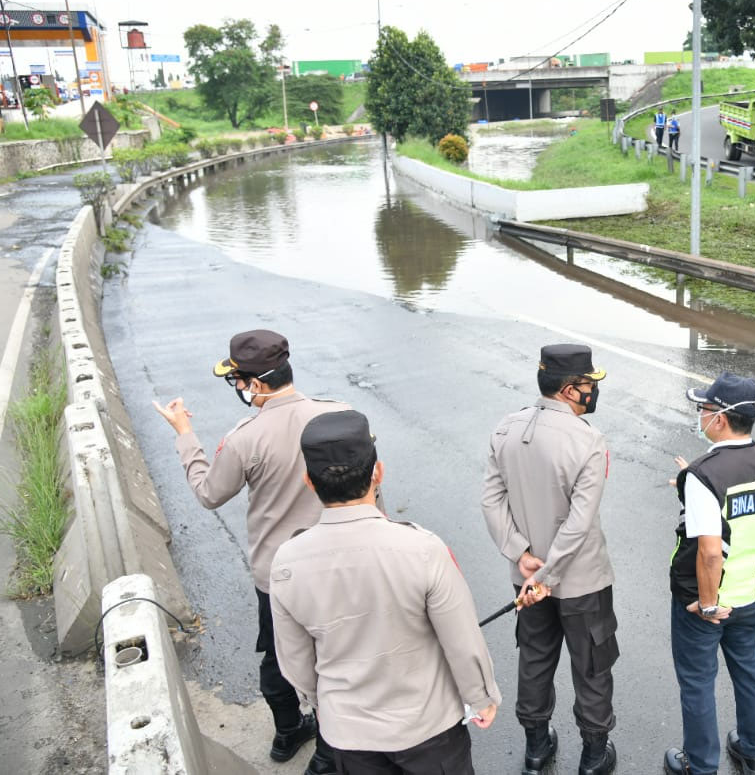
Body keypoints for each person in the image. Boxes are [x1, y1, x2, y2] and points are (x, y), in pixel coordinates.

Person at [152, 329, 347, 775]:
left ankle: (287, 734)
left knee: (280, 658)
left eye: (238, 381)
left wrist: (185, 434)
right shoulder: (338, 416)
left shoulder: (245, 437)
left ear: (256, 384)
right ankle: (332, 746)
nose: (239, 388)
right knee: (339, 656)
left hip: (277, 577)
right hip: (338, 567)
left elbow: (207, 493)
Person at [270, 410, 501, 775]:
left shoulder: (286, 563)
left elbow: (294, 660)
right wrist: (481, 696)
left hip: (349, 734)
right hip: (428, 726)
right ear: (378, 472)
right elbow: (462, 638)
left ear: (309, 483)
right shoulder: (422, 549)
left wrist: (325, 703)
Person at [481, 344, 619, 775]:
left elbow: (491, 499)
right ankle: (594, 755)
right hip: (581, 582)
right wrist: (551, 573)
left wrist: (521, 555)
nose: (593, 390)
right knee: (592, 665)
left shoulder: (505, 428)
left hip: (526, 582)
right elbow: (580, 522)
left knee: (535, 658)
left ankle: (537, 748)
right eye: (589, 384)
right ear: (570, 389)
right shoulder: (587, 441)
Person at [664, 373, 755, 775]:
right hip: (751, 591)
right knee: (748, 666)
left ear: (720, 417)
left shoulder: (707, 474)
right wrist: (692, 481)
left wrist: (706, 604)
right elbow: (745, 511)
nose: (699, 415)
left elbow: (709, 551)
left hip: (707, 601)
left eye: (703, 408)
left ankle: (699, 765)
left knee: (698, 681)